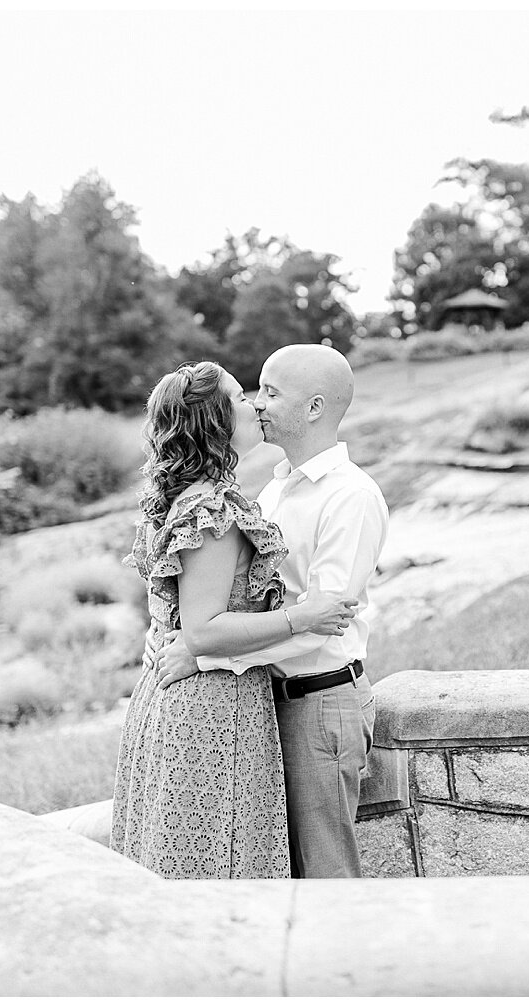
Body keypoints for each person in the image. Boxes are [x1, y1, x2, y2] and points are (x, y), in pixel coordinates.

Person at [111, 360, 360, 880]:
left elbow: (184, 614)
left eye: (264, 393)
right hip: (211, 707)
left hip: (204, 691)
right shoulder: (215, 507)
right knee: (220, 862)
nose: (255, 404)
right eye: (243, 396)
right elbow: (203, 627)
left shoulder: (215, 498)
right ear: (217, 422)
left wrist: (171, 638)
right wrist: (301, 616)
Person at [162, 343, 390, 878]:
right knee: (274, 872)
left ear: (314, 408)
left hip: (320, 704)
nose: (256, 403)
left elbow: (320, 622)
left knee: (325, 871)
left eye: (271, 391)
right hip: (265, 702)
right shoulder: (275, 489)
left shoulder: (350, 497)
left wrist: (207, 654)